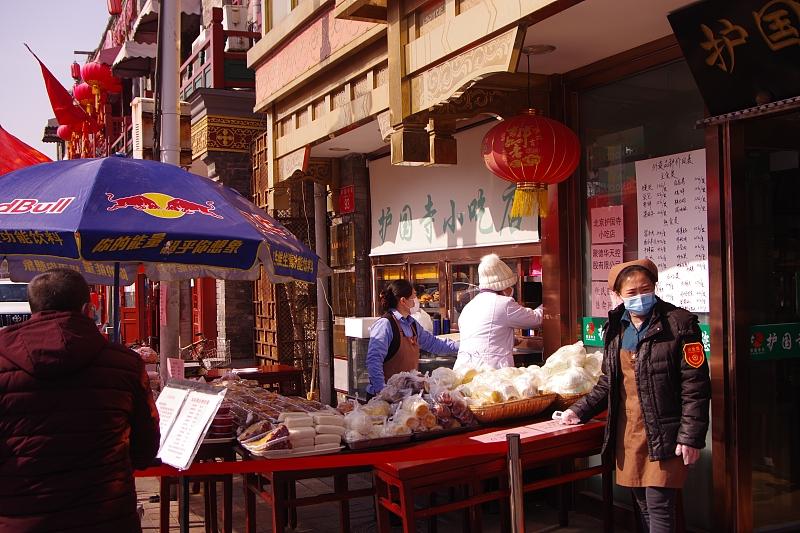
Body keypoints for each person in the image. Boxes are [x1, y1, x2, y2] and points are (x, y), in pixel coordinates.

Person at [0, 269, 160, 532]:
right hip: (105, 515)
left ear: (33, 309)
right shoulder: (125, 364)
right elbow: (145, 447)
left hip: (21, 518)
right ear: (88, 308)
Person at [557, 258, 710, 533]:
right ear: (617, 295)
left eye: (645, 288)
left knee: (660, 505)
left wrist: (691, 436)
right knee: (642, 503)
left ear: (654, 287)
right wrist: (577, 411)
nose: (640, 296)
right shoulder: (616, 327)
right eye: (631, 293)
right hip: (630, 431)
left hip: (666, 430)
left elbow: (695, 386)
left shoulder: (681, 324)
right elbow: (608, 383)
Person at [366, 279, 458, 396]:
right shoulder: (385, 324)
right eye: (414, 296)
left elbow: (433, 343)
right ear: (403, 301)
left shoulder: (412, 324)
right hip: (384, 397)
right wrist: (382, 390)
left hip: (406, 395)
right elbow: (374, 360)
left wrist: (461, 345)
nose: (416, 300)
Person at [454, 253, 543, 372]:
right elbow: (536, 319)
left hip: (463, 370)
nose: (512, 290)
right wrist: (550, 302)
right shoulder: (504, 303)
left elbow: (485, 335)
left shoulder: (470, 306)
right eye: (511, 286)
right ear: (503, 286)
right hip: (490, 371)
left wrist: (509, 339)